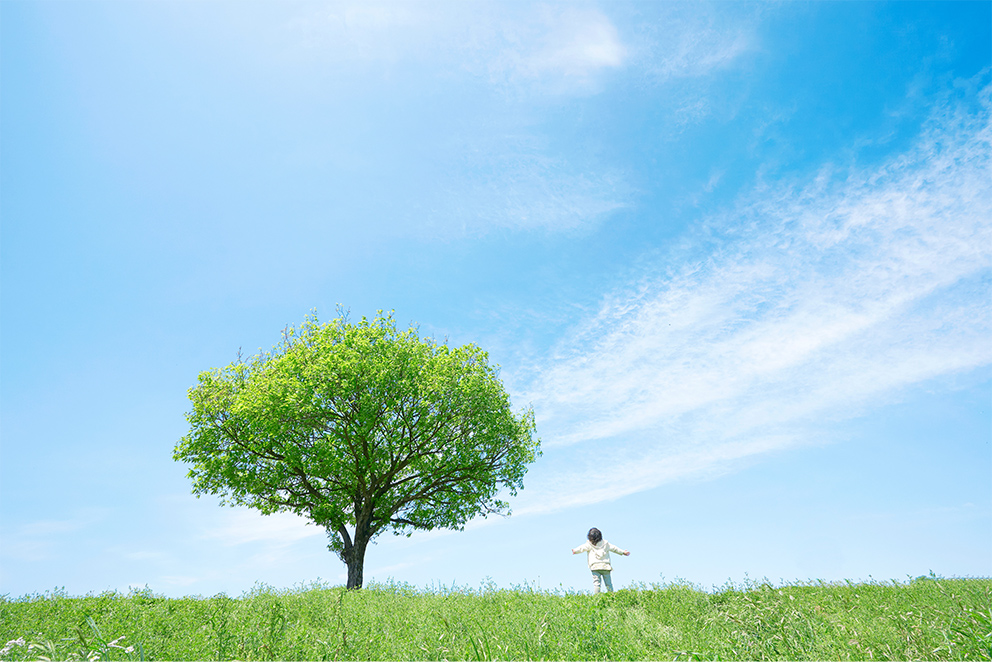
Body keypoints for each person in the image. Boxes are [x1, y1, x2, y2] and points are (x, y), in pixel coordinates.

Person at [571, 527, 630, 594]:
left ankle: (597, 597)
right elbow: (614, 548)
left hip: (595, 566)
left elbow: (582, 548)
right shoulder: (605, 544)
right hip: (605, 566)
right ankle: (611, 595)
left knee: (596, 583)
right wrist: (623, 552)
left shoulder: (589, 544)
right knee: (608, 583)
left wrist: (575, 550)